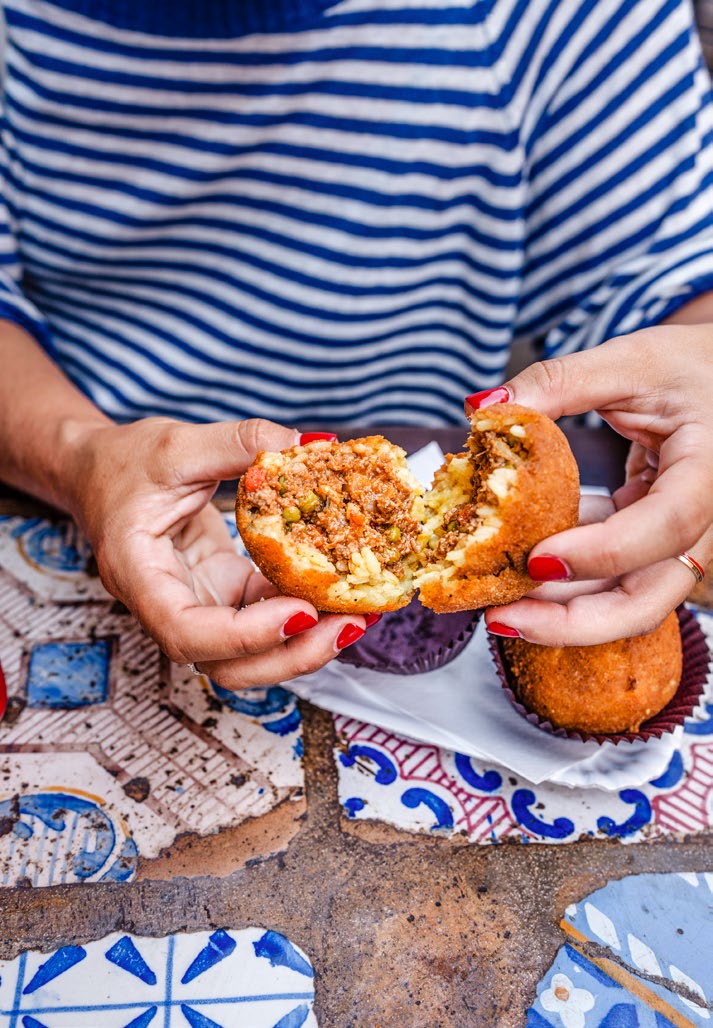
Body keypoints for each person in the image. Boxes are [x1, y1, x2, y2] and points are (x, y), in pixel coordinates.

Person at [0, 0, 712, 691]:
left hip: (450, 513)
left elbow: (670, 274)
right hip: (69, 496)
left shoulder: (559, 13)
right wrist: (77, 456)